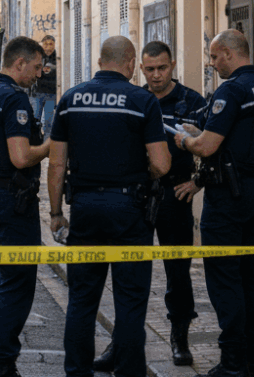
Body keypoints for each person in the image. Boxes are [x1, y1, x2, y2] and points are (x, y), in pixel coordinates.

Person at [47, 36, 171, 377]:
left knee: (82, 300)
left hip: (84, 208)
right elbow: (161, 164)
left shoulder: (71, 99)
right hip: (130, 209)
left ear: (100, 61)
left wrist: (57, 213)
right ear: (131, 63)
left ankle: (77, 371)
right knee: (130, 302)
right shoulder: (142, 100)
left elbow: (56, 164)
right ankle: (129, 372)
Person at [173, 30, 254, 377]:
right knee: (250, 273)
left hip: (228, 196)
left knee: (225, 277)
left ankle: (233, 360)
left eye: (214, 57)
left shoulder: (231, 89)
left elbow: (207, 146)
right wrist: (199, 131)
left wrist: (184, 141)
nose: (212, 63)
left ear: (230, 54)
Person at [92, 41, 206, 371]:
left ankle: (180, 338)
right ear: (139, 68)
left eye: (163, 68)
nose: (156, 75)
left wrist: (197, 183)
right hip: (137, 196)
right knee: (128, 273)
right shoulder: (134, 99)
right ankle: (123, 342)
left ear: (173, 66)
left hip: (175, 196)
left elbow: (214, 146)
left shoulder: (192, 101)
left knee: (178, 272)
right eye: (150, 69)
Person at [0, 36, 51, 377]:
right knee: (16, 282)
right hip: (12, 200)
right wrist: (50, 147)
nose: (38, 74)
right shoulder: (13, 98)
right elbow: (21, 156)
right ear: (20, 63)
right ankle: (3, 362)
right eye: (35, 67)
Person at [30, 35, 57, 139]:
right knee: (36, 120)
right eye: (46, 44)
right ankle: (36, 141)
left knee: (48, 122)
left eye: (51, 44)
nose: (48, 47)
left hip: (51, 94)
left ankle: (46, 146)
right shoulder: (38, 57)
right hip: (37, 93)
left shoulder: (57, 58)